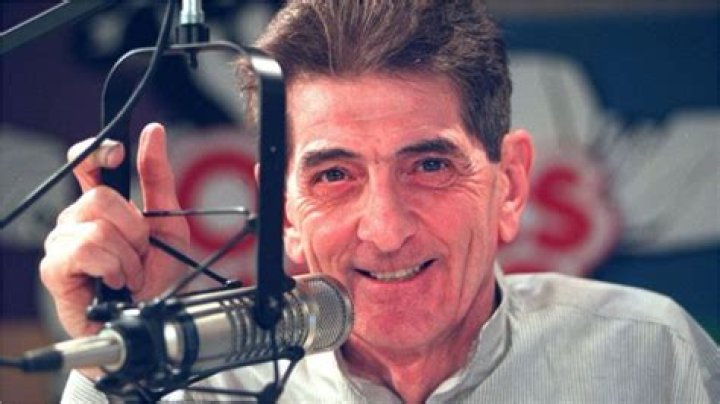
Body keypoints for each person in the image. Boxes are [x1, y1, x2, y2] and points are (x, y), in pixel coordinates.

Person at [42, 1, 718, 403]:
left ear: (509, 185)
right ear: (284, 212)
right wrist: (123, 366)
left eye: (430, 165)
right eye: (334, 175)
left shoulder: (651, 355)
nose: (386, 230)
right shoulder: (197, 386)